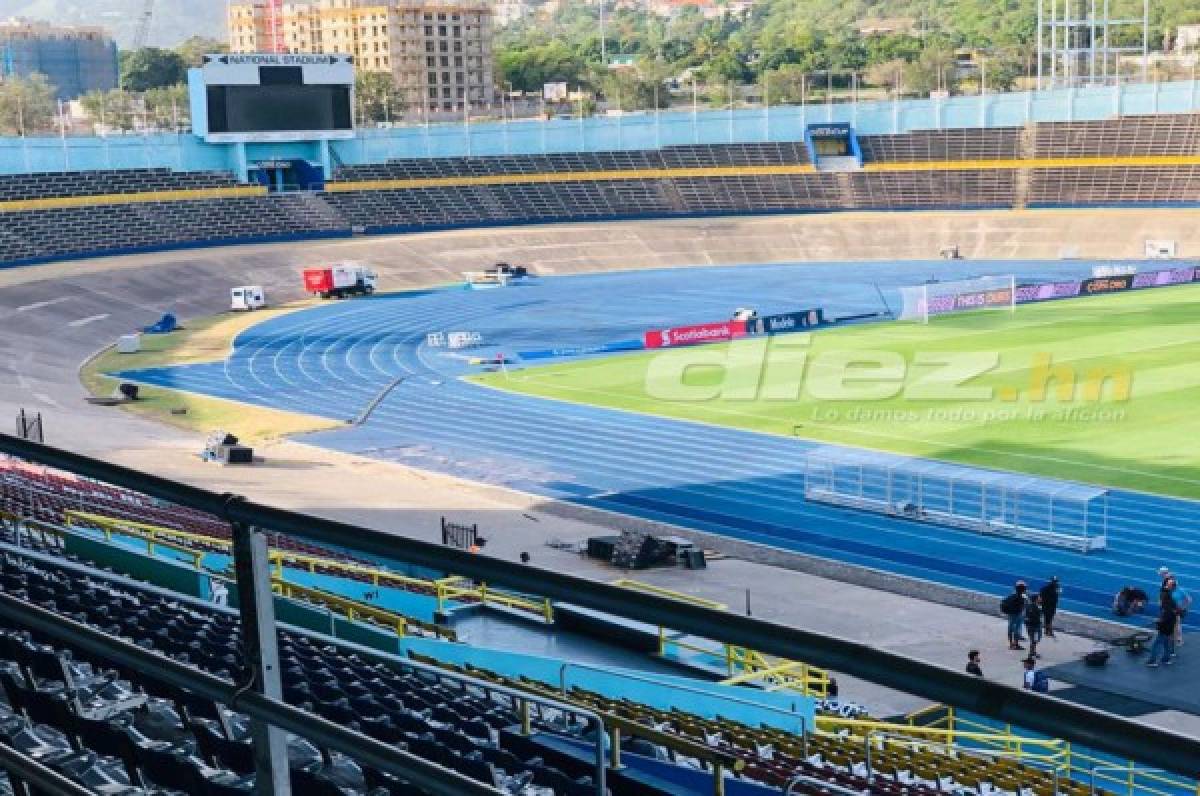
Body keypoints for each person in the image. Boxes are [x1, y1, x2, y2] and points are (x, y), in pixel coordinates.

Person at [1147, 594, 1178, 668]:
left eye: (1159, 599)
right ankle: (1166, 660)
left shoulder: (1165, 609)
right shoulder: (1173, 606)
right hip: (1170, 629)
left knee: (1156, 645)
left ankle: (1152, 661)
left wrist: (1156, 622)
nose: (1159, 601)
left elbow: (1164, 620)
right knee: (1167, 645)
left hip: (1164, 630)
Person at [1163, 576, 1191, 647]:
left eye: (1169, 585)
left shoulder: (1180, 590)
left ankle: (1179, 640)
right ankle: (1171, 638)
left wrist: (1183, 607)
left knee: (1177, 625)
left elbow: (1189, 599)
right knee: (1170, 624)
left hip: (1177, 610)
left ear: (1173, 586)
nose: (1168, 586)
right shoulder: (1168, 590)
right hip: (1169, 610)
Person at [1001, 581, 1029, 650]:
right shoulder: (1023, 596)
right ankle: (1016, 644)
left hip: (1011, 614)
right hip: (1017, 614)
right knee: (1017, 629)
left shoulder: (1012, 595)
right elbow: (1025, 605)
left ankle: (1011, 644)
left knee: (1010, 629)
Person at [1025, 594, 1044, 659]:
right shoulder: (1034, 608)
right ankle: (1031, 653)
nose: (1041, 598)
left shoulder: (1030, 606)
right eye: (1039, 597)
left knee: (1034, 640)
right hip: (1035, 627)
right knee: (1034, 640)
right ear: (1036, 599)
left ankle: (1033, 652)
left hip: (1032, 626)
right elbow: (1034, 617)